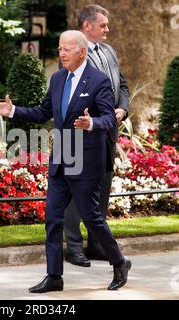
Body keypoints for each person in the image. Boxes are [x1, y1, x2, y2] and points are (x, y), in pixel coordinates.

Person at [0, 30, 131, 293]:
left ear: (81, 51)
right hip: (61, 157)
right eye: (60, 48)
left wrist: (92, 123)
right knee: (53, 219)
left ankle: (119, 262)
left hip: (86, 159)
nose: (61, 53)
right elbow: (44, 112)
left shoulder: (98, 81)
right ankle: (54, 276)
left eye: (67, 49)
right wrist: (13, 111)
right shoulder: (56, 79)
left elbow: (110, 118)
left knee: (92, 218)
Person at [64, 4, 130, 267]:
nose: (107, 29)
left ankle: (97, 245)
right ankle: (74, 247)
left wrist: (122, 109)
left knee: (102, 188)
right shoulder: (72, 53)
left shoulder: (109, 51)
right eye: (102, 25)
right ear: (86, 26)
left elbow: (121, 84)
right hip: (82, 131)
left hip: (108, 133)